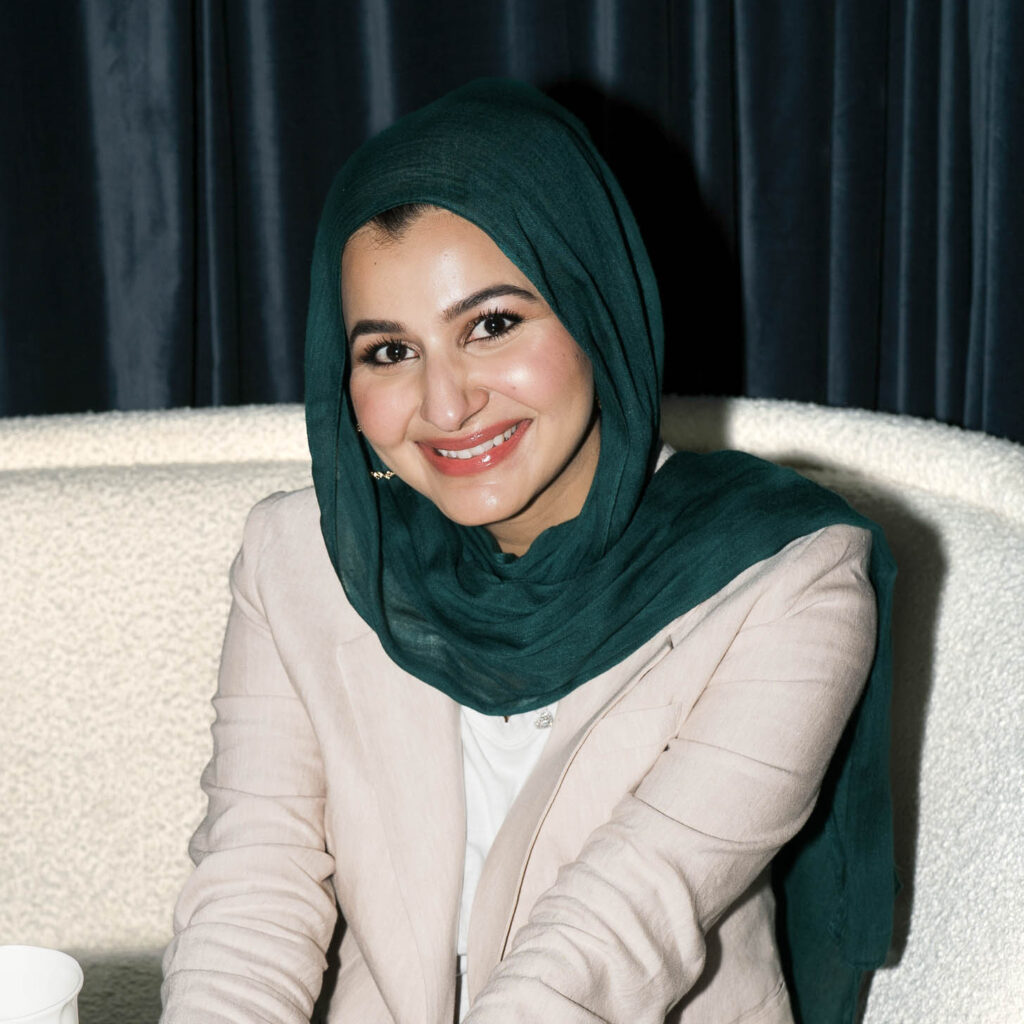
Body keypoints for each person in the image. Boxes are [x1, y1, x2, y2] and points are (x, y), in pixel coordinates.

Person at [161, 80, 896, 1024]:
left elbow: (622, 926)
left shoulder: (784, 575)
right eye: (389, 352)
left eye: (492, 326)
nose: (447, 403)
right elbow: (254, 888)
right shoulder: (298, 559)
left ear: (597, 306)